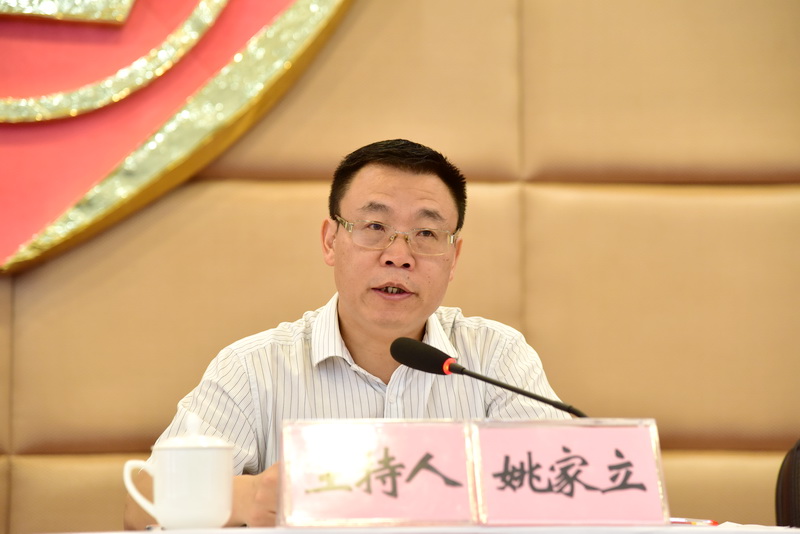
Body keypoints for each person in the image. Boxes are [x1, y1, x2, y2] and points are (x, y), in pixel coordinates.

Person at [123, 139, 569, 529]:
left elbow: (565, 491)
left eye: (426, 233)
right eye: (375, 227)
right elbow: (141, 506)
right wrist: (245, 497)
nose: (399, 255)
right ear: (330, 241)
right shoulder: (253, 368)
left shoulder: (495, 358)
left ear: (453, 258)